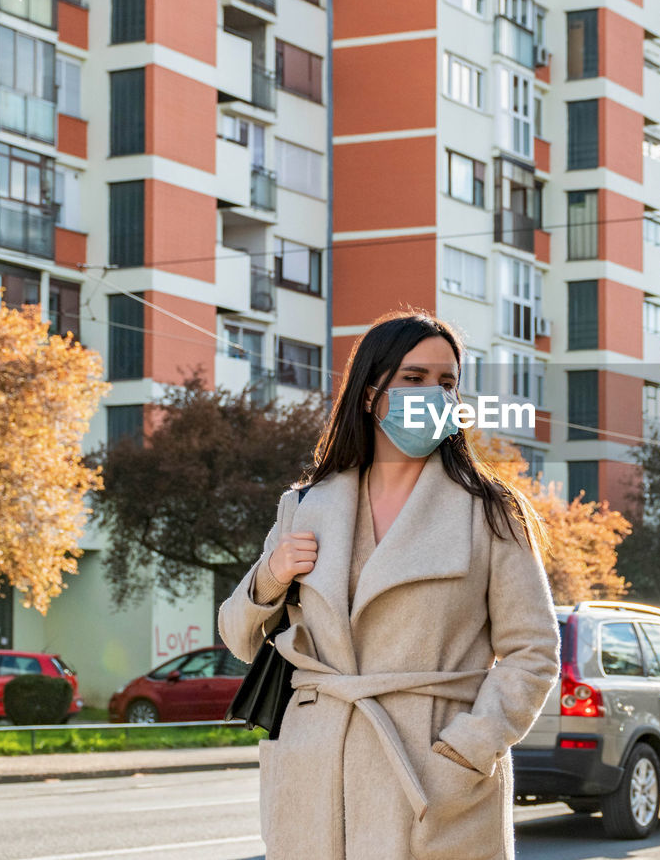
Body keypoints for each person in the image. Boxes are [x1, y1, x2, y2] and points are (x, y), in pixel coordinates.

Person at [218, 312, 561, 860]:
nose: (433, 394)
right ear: (369, 393)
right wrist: (272, 574)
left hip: (430, 777)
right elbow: (238, 636)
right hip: (314, 776)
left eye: (447, 382)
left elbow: (533, 653)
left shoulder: (490, 514)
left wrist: (467, 750)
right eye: (414, 377)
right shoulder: (305, 507)